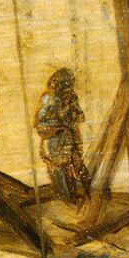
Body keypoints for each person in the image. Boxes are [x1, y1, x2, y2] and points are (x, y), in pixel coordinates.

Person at [35, 68, 90, 202]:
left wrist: (74, 113)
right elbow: (39, 122)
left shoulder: (72, 96)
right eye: (66, 86)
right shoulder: (49, 98)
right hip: (54, 140)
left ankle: (82, 195)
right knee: (58, 169)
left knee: (76, 166)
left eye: (70, 86)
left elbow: (80, 116)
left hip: (71, 138)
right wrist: (59, 124)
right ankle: (66, 199)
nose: (69, 89)